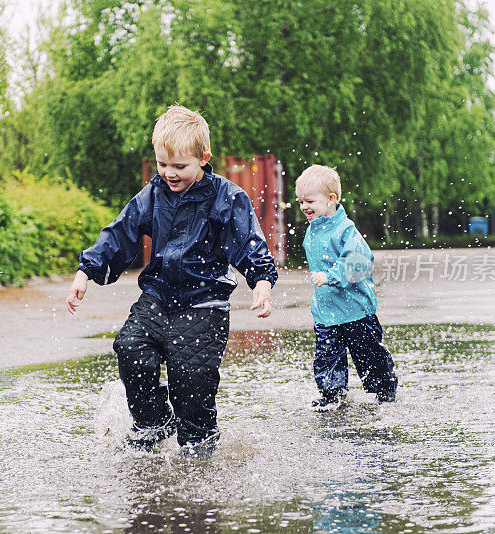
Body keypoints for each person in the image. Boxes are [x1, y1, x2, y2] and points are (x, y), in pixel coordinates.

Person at [66, 105, 278, 457]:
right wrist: (87, 271)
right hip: (158, 298)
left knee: (190, 380)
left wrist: (261, 281)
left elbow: (247, 241)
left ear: (203, 159)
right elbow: (120, 233)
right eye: (163, 164)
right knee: (130, 348)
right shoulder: (153, 195)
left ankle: (199, 440)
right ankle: (153, 422)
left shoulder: (226, 197)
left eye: (179, 166)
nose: (169, 173)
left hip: (204, 304)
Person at [296, 164, 397, 410]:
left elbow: (360, 262)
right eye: (300, 202)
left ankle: (384, 388)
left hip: (356, 309)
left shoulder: (345, 230)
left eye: (309, 201)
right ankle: (332, 394)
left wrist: (331, 276)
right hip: (326, 310)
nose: (304, 207)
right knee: (327, 355)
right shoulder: (312, 230)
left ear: (331, 199)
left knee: (368, 353)